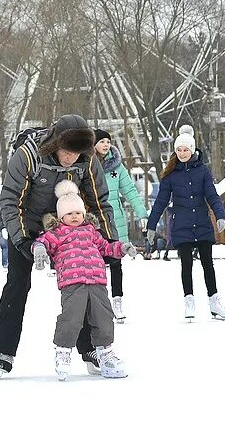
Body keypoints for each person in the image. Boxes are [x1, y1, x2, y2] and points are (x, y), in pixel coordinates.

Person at [0, 114, 116, 379]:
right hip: (28, 224)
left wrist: (109, 238)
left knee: (82, 282)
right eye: (67, 152)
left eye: (77, 153)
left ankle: (90, 348)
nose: (71, 158)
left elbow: (98, 201)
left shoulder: (87, 160)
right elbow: (10, 201)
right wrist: (23, 240)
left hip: (69, 224)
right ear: (55, 144)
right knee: (17, 283)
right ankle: (3, 351)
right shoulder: (28, 156)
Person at [36, 181, 135, 380]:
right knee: (71, 319)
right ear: (61, 216)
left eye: (78, 213)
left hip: (97, 281)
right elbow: (43, 242)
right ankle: (63, 353)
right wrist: (39, 249)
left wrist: (121, 248)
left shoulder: (91, 231)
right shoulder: (57, 233)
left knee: (104, 318)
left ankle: (105, 354)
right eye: (69, 213)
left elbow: (106, 247)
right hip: (73, 284)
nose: (74, 217)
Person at [146, 126, 225, 321]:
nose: (182, 153)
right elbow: (161, 202)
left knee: (208, 265)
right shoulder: (170, 175)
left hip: (202, 224)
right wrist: (151, 226)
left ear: (192, 150)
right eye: (179, 150)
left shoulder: (202, 171)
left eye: (185, 150)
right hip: (182, 226)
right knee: (186, 265)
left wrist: (220, 216)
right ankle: (189, 300)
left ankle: (214, 301)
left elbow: (212, 195)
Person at [92, 129, 147, 322]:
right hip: (94, 220)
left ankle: (117, 300)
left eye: (108, 141)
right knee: (96, 264)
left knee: (116, 262)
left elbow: (130, 190)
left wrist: (142, 213)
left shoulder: (117, 167)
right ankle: (98, 303)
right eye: (102, 142)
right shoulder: (87, 165)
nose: (106, 145)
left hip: (115, 220)